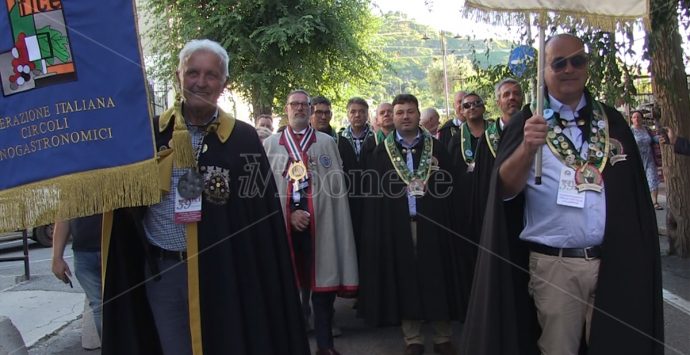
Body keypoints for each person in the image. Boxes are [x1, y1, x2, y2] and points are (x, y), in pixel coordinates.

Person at [101, 39, 309, 355]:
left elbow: (258, 212)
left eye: (211, 75)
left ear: (224, 83)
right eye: (193, 72)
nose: (201, 82)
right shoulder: (150, 134)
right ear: (178, 75)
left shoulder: (242, 138)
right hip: (163, 272)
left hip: (225, 271)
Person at [460, 33, 664, 355]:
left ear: (586, 67)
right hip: (555, 267)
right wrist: (528, 148)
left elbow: (634, 197)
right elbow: (503, 191)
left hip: (613, 261)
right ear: (544, 70)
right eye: (558, 63)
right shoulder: (527, 121)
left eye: (577, 61)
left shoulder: (612, 121)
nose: (569, 69)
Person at [359, 94, 468, 355]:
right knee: (405, 277)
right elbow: (374, 194)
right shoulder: (379, 151)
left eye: (410, 111)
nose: (405, 116)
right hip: (398, 225)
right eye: (399, 112)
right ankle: (413, 338)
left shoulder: (437, 147)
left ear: (419, 115)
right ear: (392, 117)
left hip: (434, 223)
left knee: (437, 275)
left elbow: (452, 187)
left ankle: (442, 335)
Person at [264, 89, 359, 355]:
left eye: (304, 105)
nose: (299, 109)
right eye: (293, 104)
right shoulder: (271, 145)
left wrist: (315, 210)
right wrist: (291, 213)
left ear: (310, 109)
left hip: (323, 226)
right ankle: (292, 344)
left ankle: (325, 345)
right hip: (285, 227)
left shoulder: (327, 142)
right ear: (286, 109)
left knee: (322, 287)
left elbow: (336, 189)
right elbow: (268, 191)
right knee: (290, 288)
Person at [52, 215, 103, 340]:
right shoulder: (71, 195)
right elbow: (64, 216)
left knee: (120, 304)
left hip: (114, 246)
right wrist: (57, 257)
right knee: (99, 307)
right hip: (83, 252)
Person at [630, 110, 662, 209]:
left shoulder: (646, 129)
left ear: (642, 119)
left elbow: (653, 139)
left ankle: (655, 202)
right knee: (637, 180)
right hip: (636, 159)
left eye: (638, 117)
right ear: (631, 120)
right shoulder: (630, 131)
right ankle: (638, 202)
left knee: (652, 178)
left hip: (649, 158)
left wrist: (659, 138)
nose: (636, 119)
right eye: (634, 117)